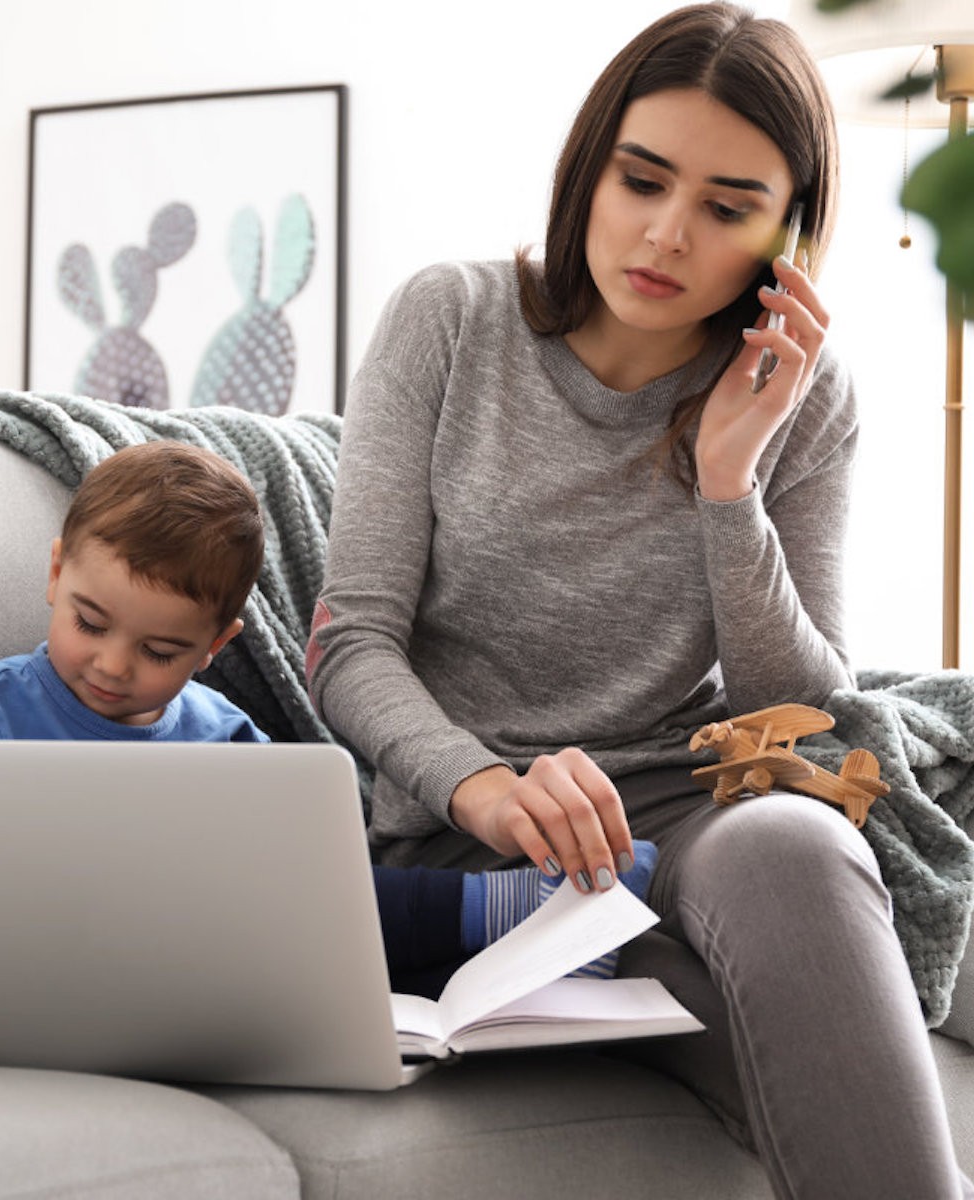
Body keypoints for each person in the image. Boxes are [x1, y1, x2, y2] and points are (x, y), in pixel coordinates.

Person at [306, 4, 972, 1198]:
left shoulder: (804, 400)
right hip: (475, 821)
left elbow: (805, 711)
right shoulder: (450, 321)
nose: (665, 235)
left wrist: (730, 482)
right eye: (643, 179)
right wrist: (486, 788)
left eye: (726, 209)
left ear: (786, 239)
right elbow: (352, 643)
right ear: (590, 164)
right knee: (746, 985)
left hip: (687, 800)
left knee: (803, 847)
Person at [0, 440, 654, 1017]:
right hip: (59, 976)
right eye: (89, 621)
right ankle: (505, 911)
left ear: (215, 645)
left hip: (207, 983)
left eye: (159, 649)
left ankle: (548, 956)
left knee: (340, 932)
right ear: (53, 574)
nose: (114, 666)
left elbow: (300, 875)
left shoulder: (224, 735)